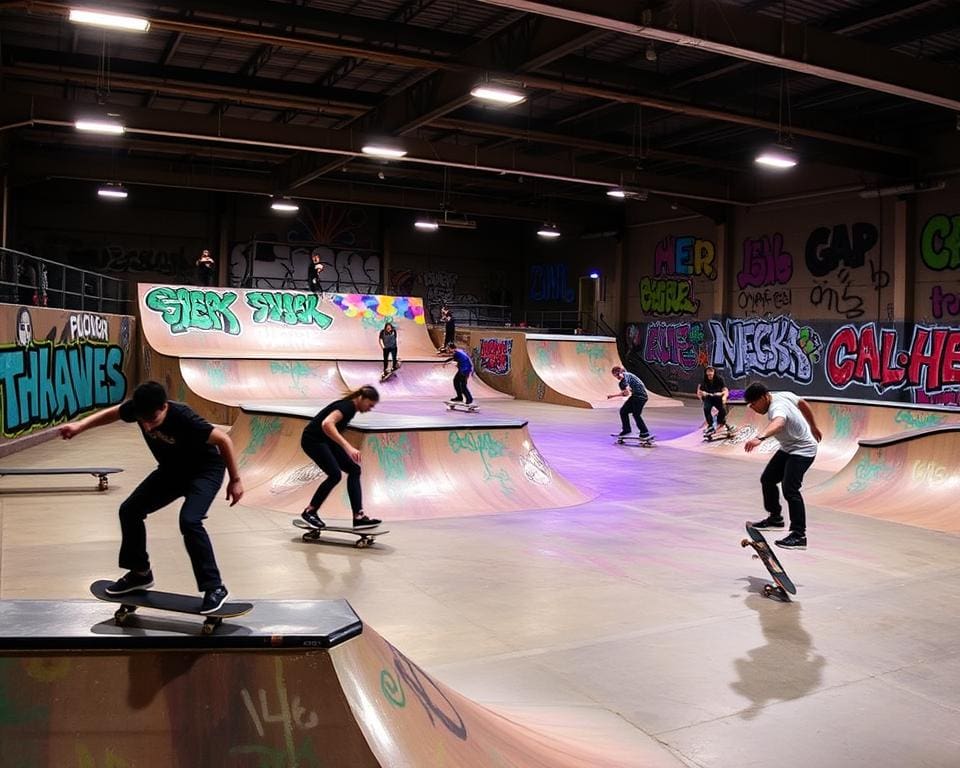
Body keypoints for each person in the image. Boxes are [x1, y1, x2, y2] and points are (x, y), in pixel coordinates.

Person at [58, 381, 243, 614]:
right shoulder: (139, 409)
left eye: (153, 421)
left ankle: (215, 588)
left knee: (190, 521)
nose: (147, 427)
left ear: (164, 407)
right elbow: (113, 413)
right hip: (171, 471)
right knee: (130, 510)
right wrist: (80, 426)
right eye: (142, 421)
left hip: (204, 471)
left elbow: (224, 440)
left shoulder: (184, 417)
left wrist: (235, 480)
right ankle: (140, 573)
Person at [743, 383, 823, 550]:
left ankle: (799, 535)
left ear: (764, 397)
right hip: (789, 448)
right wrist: (813, 426)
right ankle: (775, 519)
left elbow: (779, 423)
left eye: (754, 404)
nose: (753, 408)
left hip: (803, 450)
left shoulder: (776, 407)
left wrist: (760, 438)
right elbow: (803, 403)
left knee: (790, 489)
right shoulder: (783, 393)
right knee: (768, 479)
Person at [301, 386, 381, 529]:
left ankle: (359, 517)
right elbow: (327, 423)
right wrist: (347, 446)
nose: (370, 409)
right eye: (370, 405)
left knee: (354, 470)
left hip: (325, 441)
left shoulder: (350, 409)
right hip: (312, 440)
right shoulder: (347, 407)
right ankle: (310, 511)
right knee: (334, 475)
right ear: (361, 399)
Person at [607, 366, 652, 439]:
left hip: (640, 397)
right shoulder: (626, 378)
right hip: (635, 396)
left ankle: (645, 432)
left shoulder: (626, 376)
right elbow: (626, 393)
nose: (616, 378)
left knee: (636, 414)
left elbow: (625, 388)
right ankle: (626, 430)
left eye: (616, 375)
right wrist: (613, 396)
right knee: (623, 411)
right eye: (615, 376)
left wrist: (613, 395)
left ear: (619, 373)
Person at [697, 366, 732, 436]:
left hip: (717, 398)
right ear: (706, 373)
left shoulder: (719, 379)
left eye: (711, 373)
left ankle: (721, 421)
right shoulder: (703, 380)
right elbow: (699, 391)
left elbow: (725, 390)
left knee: (723, 410)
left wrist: (723, 396)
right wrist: (701, 396)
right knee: (706, 408)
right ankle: (710, 425)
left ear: (714, 373)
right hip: (708, 398)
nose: (710, 375)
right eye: (708, 373)